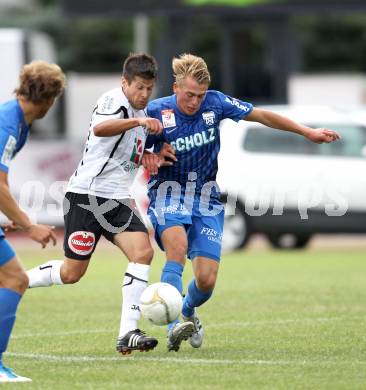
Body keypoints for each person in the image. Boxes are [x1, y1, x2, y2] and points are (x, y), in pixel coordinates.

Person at [142, 53, 340, 352]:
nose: (195, 102)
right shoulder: (156, 111)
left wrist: (306, 132)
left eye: (200, 95)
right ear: (175, 87)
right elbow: (128, 146)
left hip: (206, 197)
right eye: (189, 95)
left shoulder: (216, 103)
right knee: (177, 248)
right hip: (168, 191)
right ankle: (172, 327)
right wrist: (148, 155)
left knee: (206, 282)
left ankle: (186, 312)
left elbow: (261, 115)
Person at [26, 53, 165, 355]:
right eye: (139, 87)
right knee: (71, 274)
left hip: (116, 199)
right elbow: (101, 128)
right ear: (124, 82)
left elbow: (124, 156)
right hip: (86, 197)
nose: (144, 94)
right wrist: (138, 119)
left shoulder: (140, 119)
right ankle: (16, 281)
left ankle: (127, 332)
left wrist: (148, 158)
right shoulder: (114, 100)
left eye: (149, 89)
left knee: (143, 252)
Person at [0, 60, 65, 382]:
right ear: (49, 99)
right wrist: (28, 224)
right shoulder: (9, 124)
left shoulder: (17, 119)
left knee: (10, 279)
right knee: (15, 278)